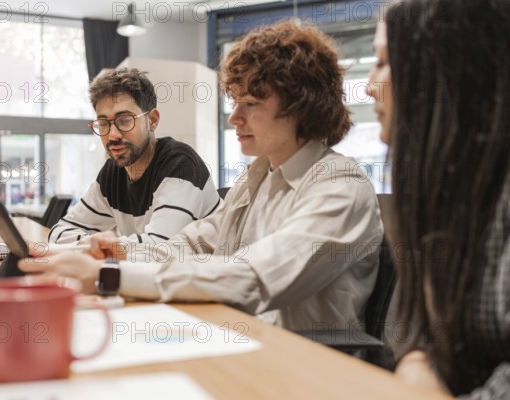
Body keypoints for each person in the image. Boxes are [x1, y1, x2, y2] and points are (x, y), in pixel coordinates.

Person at [21, 20, 383, 332]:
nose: (234, 118)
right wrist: (117, 252)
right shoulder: (257, 178)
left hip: (304, 363)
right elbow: (189, 245)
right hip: (239, 336)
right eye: (234, 102)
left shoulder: (340, 186)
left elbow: (252, 278)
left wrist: (108, 276)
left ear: (301, 106)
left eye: (251, 104)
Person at [367, 0, 510, 397]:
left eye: (382, 61)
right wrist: (417, 362)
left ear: (445, 69)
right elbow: (420, 332)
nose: (367, 85)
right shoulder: (449, 186)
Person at [48, 68, 221, 245]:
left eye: (124, 120)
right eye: (103, 124)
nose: (112, 135)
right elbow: (59, 231)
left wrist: (104, 246)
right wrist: (93, 244)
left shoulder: (181, 164)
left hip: (210, 270)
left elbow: (160, 248)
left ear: (152, 120)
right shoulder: (113, 172)